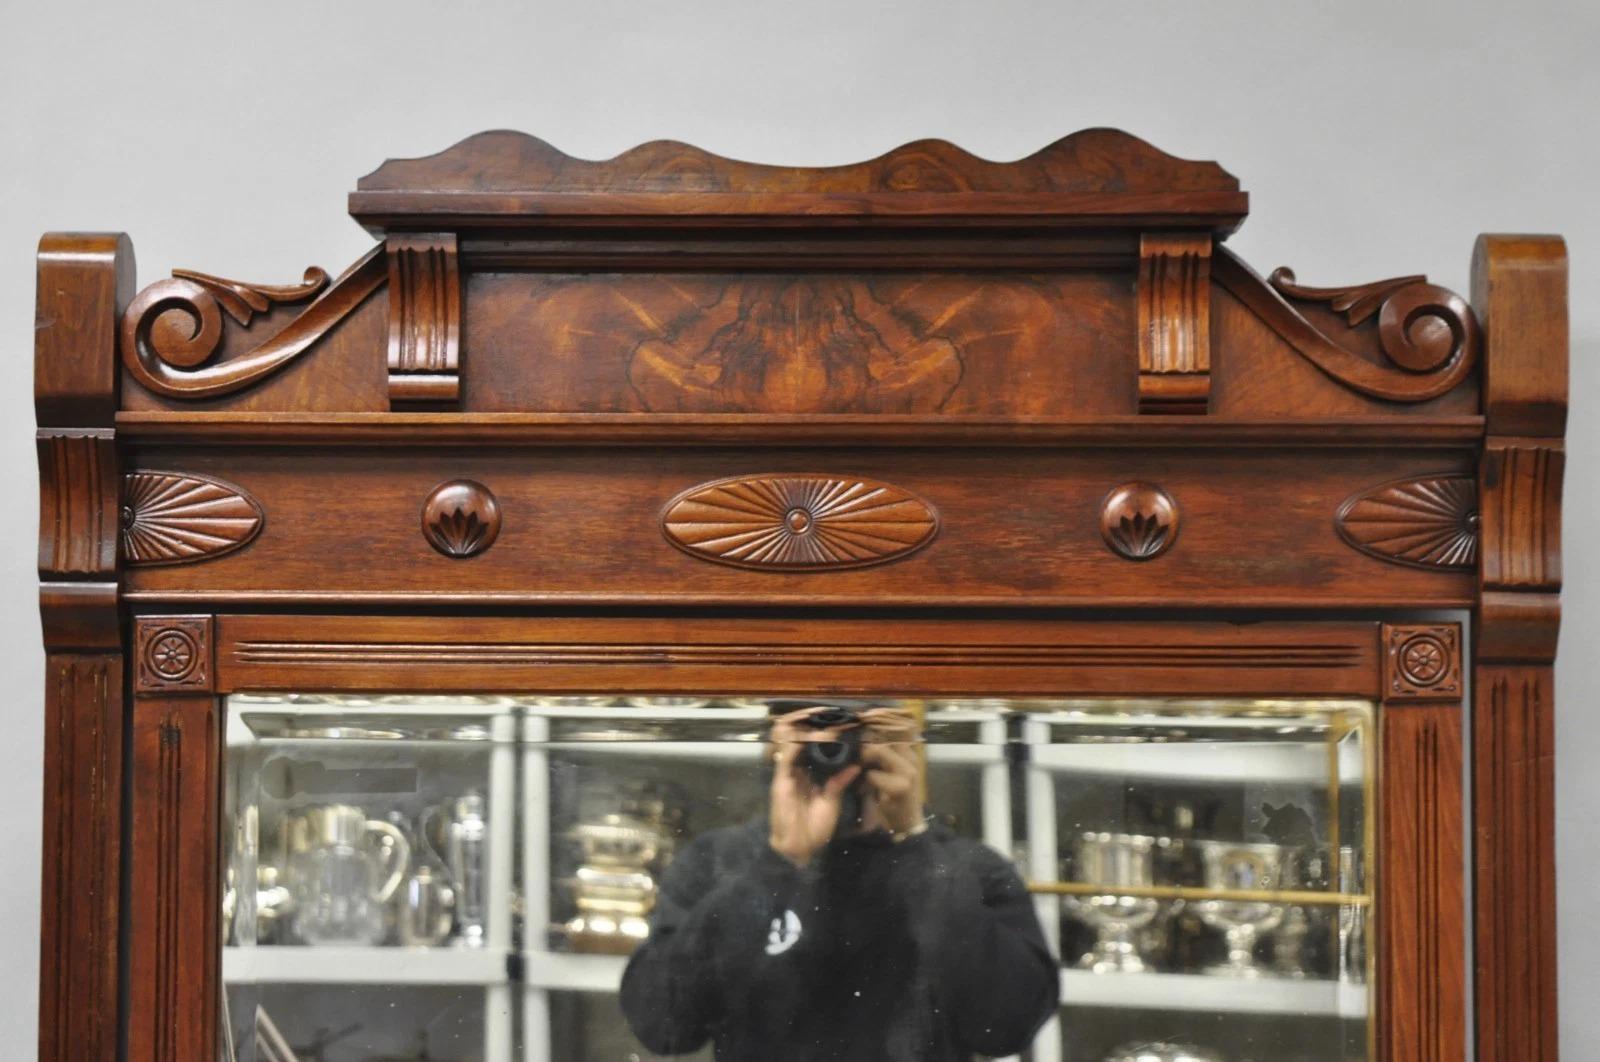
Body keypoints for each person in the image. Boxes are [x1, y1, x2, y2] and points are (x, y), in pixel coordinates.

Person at [620, 703, 1057, 1061]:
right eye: (817, 730)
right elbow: (664, 1027)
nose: (841, 752)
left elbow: (1007, 1027)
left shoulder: (964, 867)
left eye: (862, 735)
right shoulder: (719, 861)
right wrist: (778, 862)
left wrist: (912, 841)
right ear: (774, 743)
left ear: (905, 745)